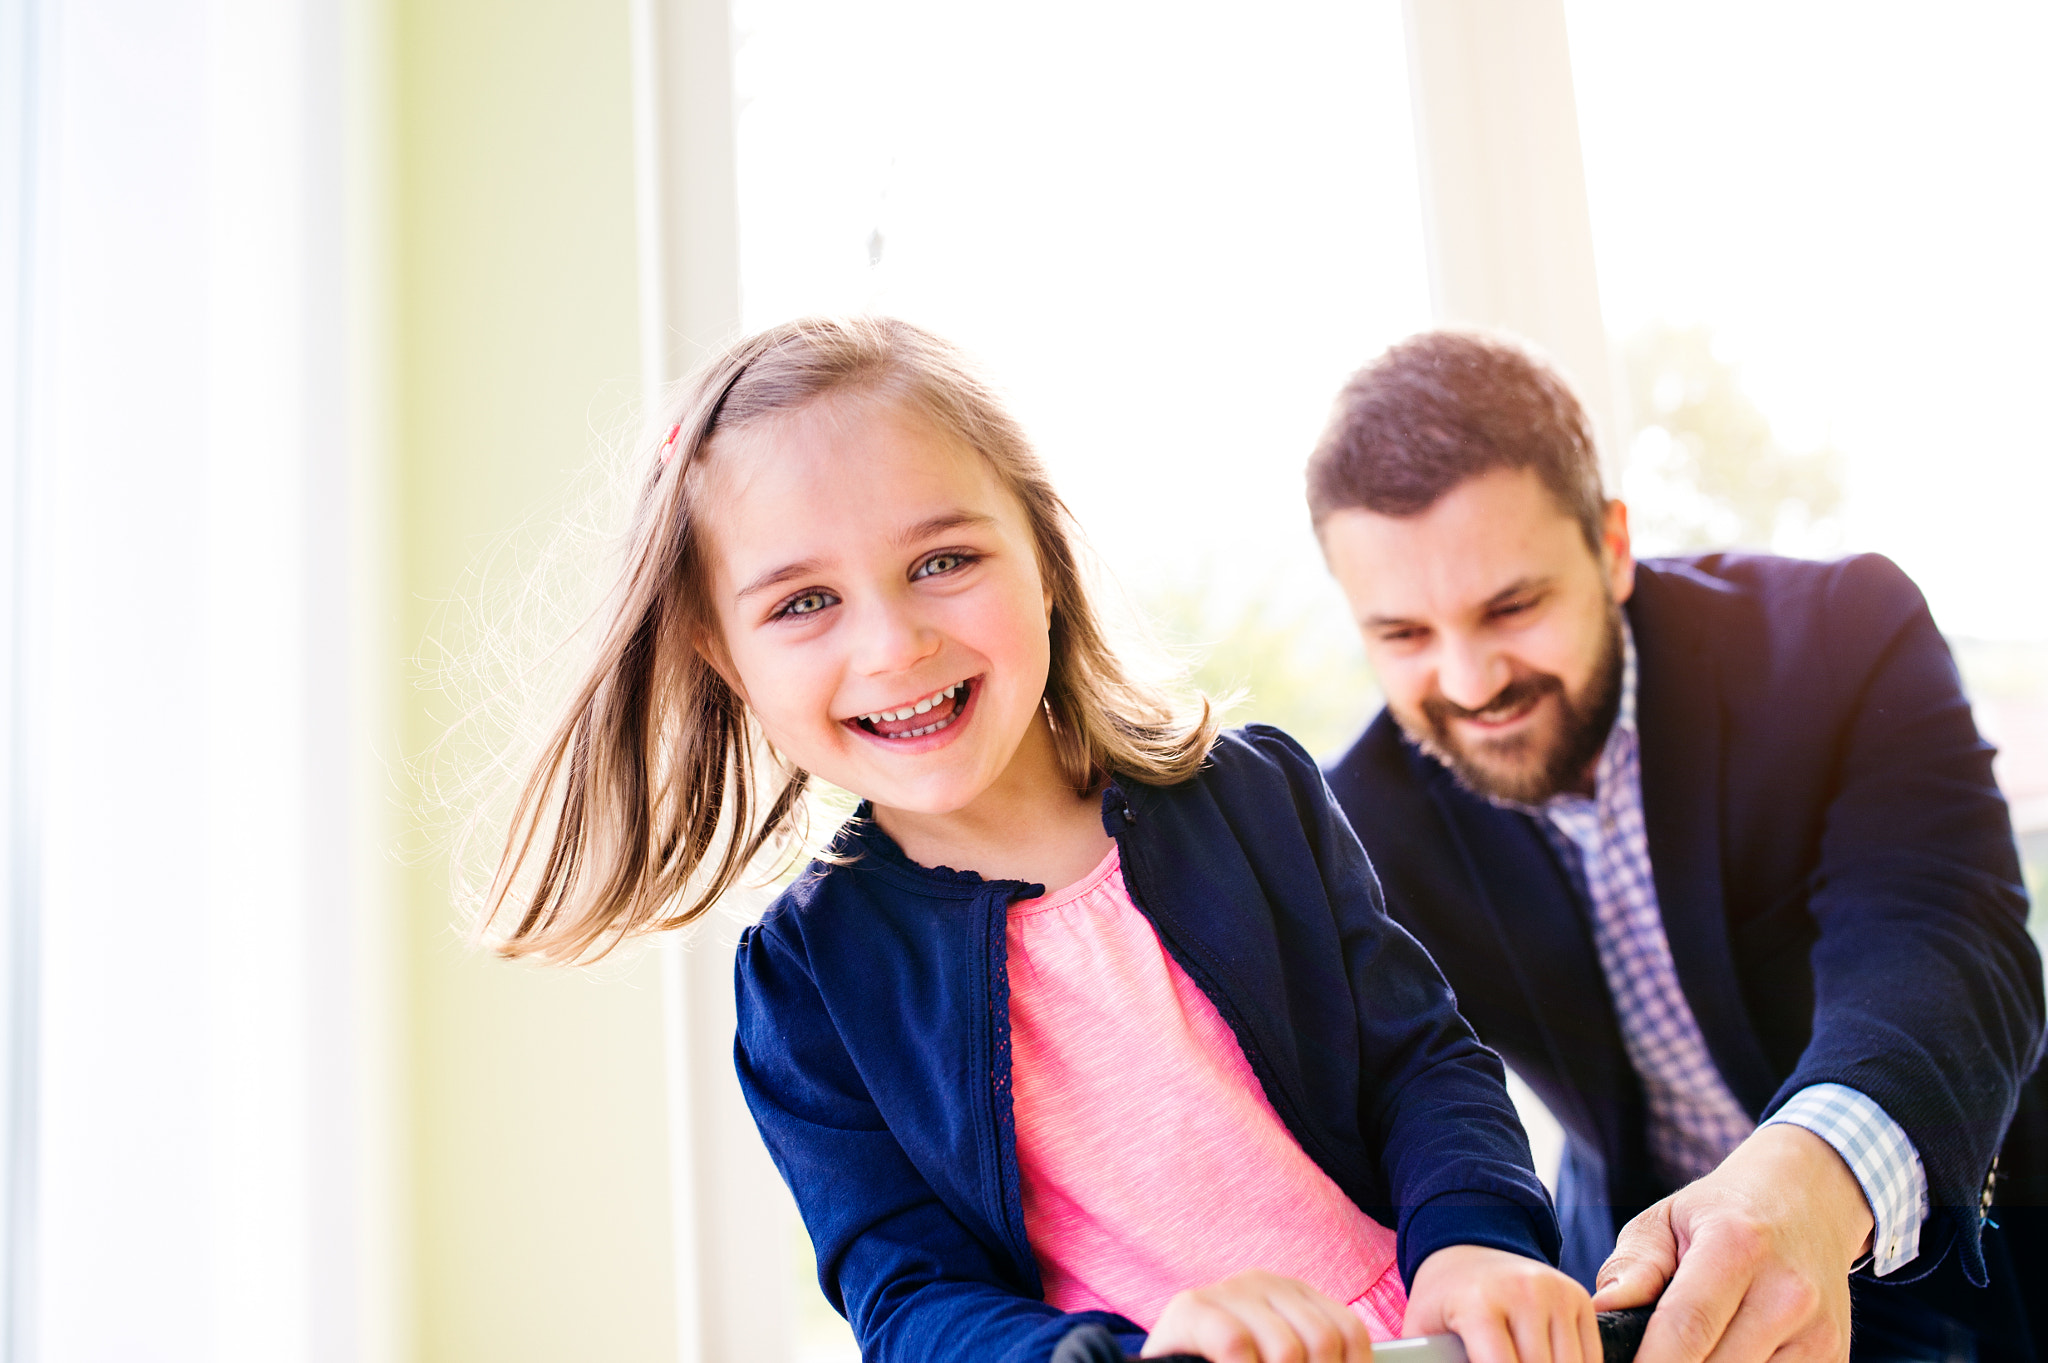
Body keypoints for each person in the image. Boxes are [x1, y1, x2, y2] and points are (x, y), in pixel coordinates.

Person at [480, 316, 1599, 1363]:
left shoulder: (1252, 797)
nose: (892, 644)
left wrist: (1475, 1237)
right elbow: (908, 1296)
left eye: (940, 562)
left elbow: (1421, 1063)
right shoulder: (806, 985)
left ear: (1042, 558)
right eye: (801, 603)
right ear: (724, 657)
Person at [1306, 328, 2045, 1363]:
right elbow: (1385, 1092)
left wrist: (1807, 1180)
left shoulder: (1838, 634)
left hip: (1951, 1224)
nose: (1469, 682)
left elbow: (1938, 932)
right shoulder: (1357, 818)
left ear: (1610, 547)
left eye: (1510, 607)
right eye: (1403, 635)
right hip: (1650, 1287)